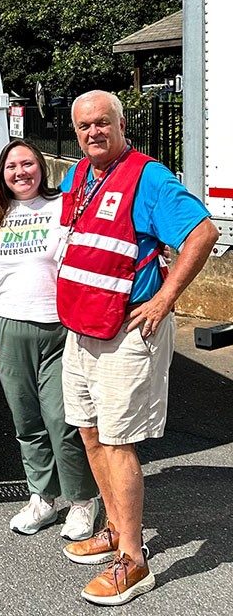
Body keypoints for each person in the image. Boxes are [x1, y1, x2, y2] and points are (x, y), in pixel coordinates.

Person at [57, 90, 218, 606]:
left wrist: (167, 299)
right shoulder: (80, 175)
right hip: (83, 327)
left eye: (102, 123)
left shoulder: (147, 177)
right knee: (89, 432)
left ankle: (134, 559)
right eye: (84, 126)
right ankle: (114, 526)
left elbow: (203, 232)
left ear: (122, 125)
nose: (92, 133)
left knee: (118, 439)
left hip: (127, 329)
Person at [0, 139, 98, 542]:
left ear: (41, 167)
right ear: (2, 175)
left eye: (27, 163)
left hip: (60, 329)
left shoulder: (63, 209)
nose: (20, 172)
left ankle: (82, 501)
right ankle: (42, 497)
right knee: (27, 421)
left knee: (63, 421)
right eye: (12, 167)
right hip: (9, 329)